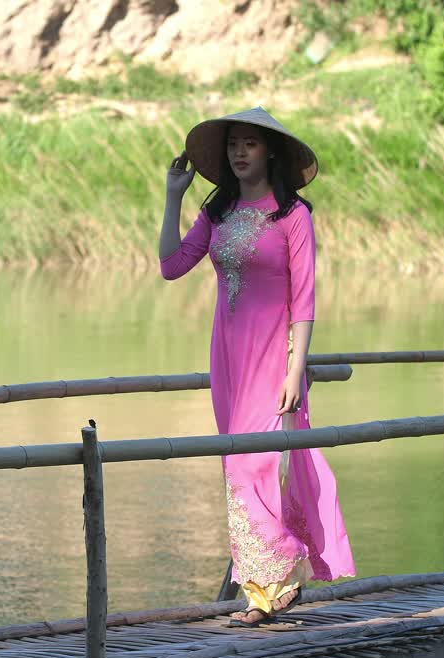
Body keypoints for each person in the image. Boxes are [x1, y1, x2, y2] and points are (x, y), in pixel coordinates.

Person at [158, 107, 355, 627]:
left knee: (257, 463)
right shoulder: (218, 213)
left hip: (274, 359)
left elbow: (305, 299)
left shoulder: (292, 216)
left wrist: (296, 370)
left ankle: (271, 582)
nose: (239, 153)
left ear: (270, 152)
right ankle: (264, 586)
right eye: (233, 146)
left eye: (249, 144)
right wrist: (174, 196)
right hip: (228, 358)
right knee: (236, 463)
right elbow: (171, 266)